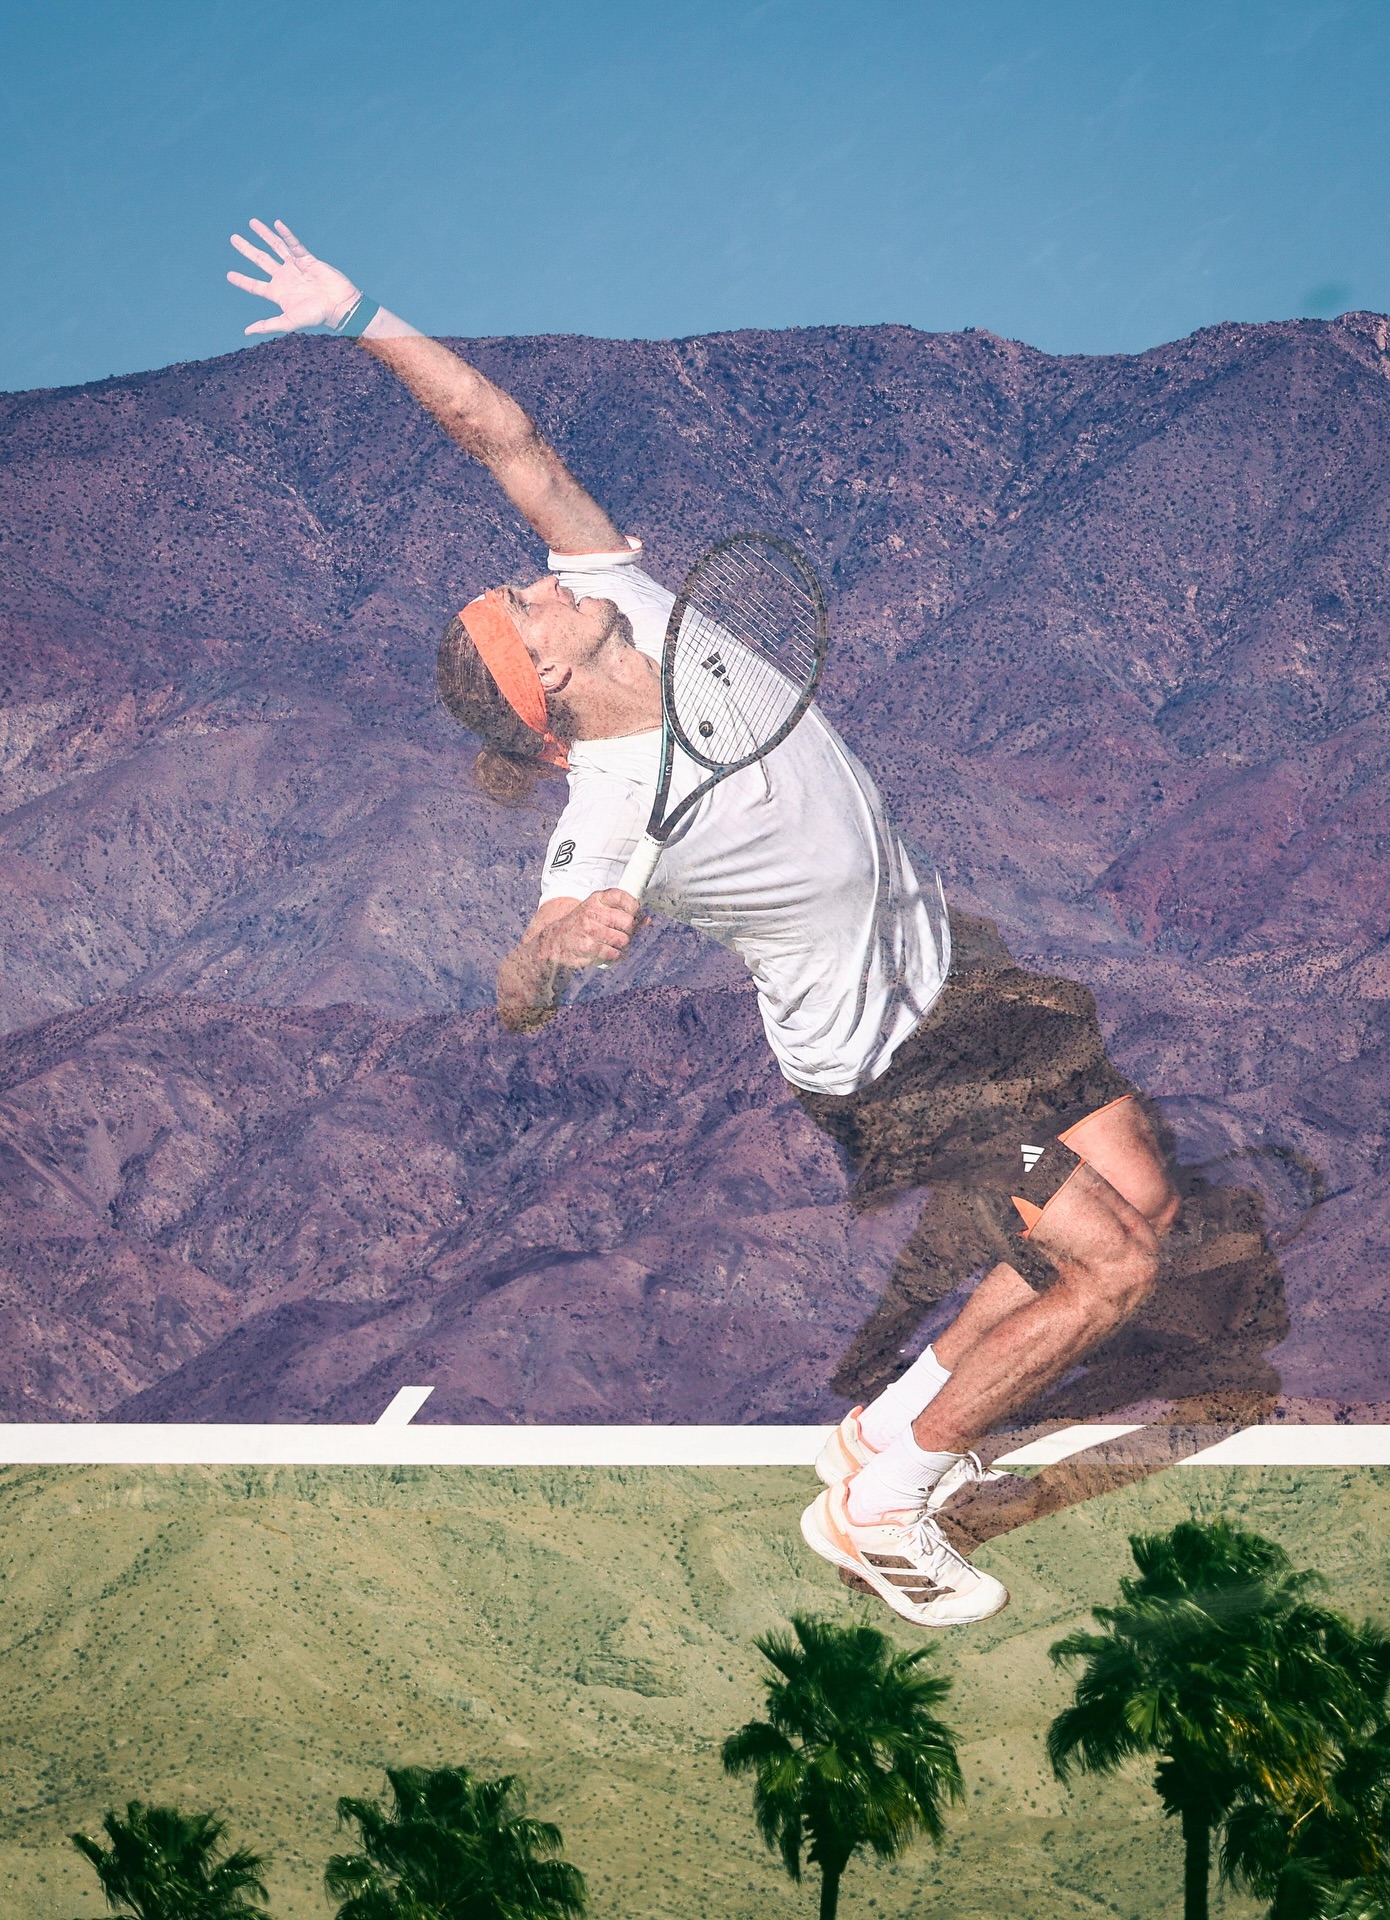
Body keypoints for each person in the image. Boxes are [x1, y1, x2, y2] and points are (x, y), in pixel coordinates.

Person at [228, 219, 1180, 1629]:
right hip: (893, 1063)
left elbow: (501, 435)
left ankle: (894, 1420)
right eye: (523, 607)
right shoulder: (610, 807)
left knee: (1142, 1197)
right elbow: (524, 976)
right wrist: (563, 945)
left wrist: (359, 313)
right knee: (1112, 1266)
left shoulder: (623, 595)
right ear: (544, 683)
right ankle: (888, 1502)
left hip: (954, 972)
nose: (539, 580)